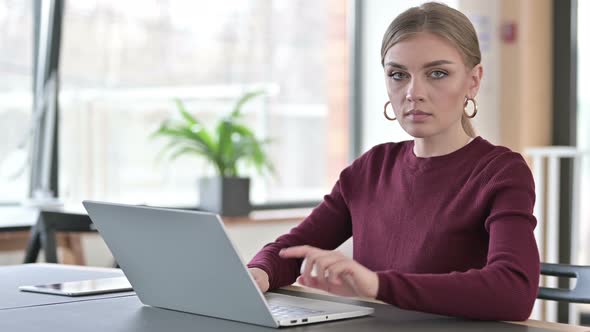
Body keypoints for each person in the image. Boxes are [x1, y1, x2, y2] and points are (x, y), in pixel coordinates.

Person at [247, 2, 540, 321]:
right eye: (398, 74)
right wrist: (259, 273)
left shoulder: (500, 171)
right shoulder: (371, 167)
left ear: (473, 80)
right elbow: (291, 251)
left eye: (437, 73)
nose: (414, 92)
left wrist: (376, 285)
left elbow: (514, 292)